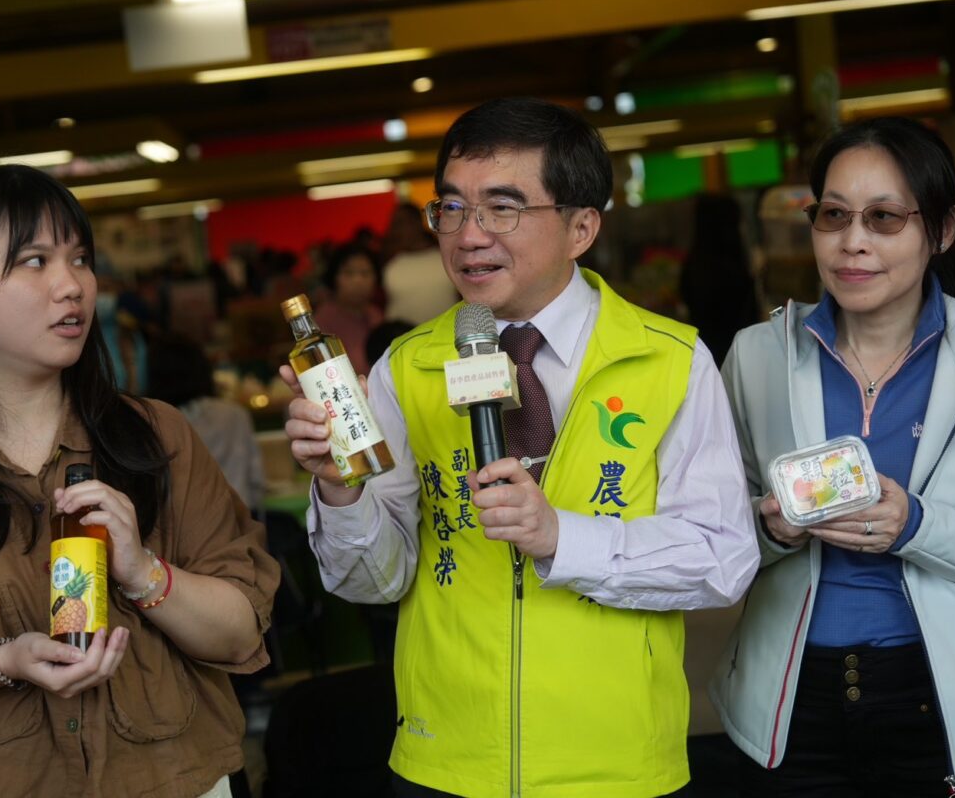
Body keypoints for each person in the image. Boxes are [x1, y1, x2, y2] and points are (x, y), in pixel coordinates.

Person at [281, 97, 759, 797]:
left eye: (503, 208)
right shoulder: (406, 368)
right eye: (451, 208)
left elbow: (722, 560)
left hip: (615, 766)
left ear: (581, 227)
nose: (469, 235)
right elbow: (370, 581)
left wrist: (562, 537)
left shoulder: (671, 362)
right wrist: (340, 487)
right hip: (444, 766)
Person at [0, 165, 279, 798]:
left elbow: (242, 630)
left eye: (79, 258)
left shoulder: (156, 436)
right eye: (33, 260)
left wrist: (143, 573)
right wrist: (5, 661)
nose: (72, 285)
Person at [709, 117, 955, 797]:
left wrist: (918, 525)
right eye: (832, 215)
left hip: (949, 704)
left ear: (944, 230)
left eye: (884, 218)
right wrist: (771, 529)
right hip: (791, 706)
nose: (852, 242)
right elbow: (713, 536)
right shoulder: (757, 355)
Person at [146, 333, 266, 516]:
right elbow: (257, 479)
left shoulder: (151, 422)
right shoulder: (234, 415)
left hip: (183, 530)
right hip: (239, 519)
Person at [679, 193, 761, 366]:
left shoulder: (694, 264)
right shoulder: (733, 271)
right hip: (737, 362)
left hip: (705, 359)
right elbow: (750, 319)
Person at [380, 202, 458, 326]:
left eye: (400, 224)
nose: (396, 231)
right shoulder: (390, 262)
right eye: (394, 225)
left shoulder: (447, 258)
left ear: (416, 223)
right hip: (404, 340)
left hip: (446, 335)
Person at [313, 242, 384, 376]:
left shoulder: (376, 314)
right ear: (334, 278)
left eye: (365, 273)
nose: (358, 281)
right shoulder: (323, 319)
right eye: (349, 273)